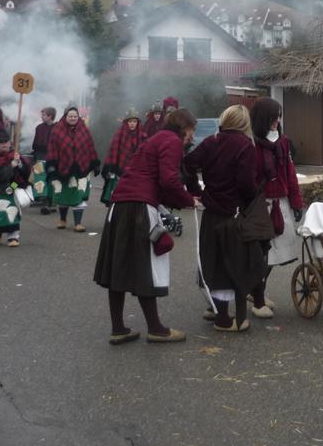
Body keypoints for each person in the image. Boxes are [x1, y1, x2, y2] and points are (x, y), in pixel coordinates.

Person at [94, 108, 198, 344]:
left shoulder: (155, 139)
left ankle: (118, 328)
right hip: (140, 207)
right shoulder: (172, 141)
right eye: (192, 130)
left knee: (118, 265)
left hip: (119, 204)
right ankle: (156, 329)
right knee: (146, 266)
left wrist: (181, 200)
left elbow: (157, 179)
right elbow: (169, 180)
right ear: (183, 127)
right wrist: (189, 200)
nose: (192, 136)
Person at [184, 104, 264, 333]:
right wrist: (251, 198)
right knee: (233, 265)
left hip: (211, 212)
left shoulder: (212, 141)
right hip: (233, 214)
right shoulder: (245, 145)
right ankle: (224, 319)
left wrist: (196, 191)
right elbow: (246, 183)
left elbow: (188, 163)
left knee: (214, 261)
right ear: (244, 123)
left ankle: (216, 309)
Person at [248, 98, 304, 318]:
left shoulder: (283, 142)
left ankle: (257, 292)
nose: (277, 121)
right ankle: (257, 298)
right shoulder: (251, 144)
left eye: (278, 116)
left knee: (273, 254)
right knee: (261, 255)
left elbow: (290, 174)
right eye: (273, 117)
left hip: (281, 203)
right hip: (261, 205)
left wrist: (296, 202)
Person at [46, 105, 100, 232]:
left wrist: (95, 163)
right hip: (63, 168)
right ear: (65, 116)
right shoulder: (57, 130)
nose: (73, 118)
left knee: (79, 195)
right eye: (70, 116)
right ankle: (62, 220)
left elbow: (90, 146)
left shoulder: (84, 129)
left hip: (81, 168)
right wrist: (51, 165)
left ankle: (78, 223)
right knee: (63, 196)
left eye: (75, 116)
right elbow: (52, 148)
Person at [0, 131, 31, 246]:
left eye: (6, 141)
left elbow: (26, 172)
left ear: (10, 143)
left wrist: (19, 163)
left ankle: (13, 237)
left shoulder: (16, 156)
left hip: (14, 185)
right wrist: (11, 165)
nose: (4, 144)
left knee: (13, 210)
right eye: (1, 142)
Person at [100, 109, 145, 206]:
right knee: (116, 197)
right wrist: (111, 168)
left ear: (137, 123)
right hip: (119, 170)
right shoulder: (120, 134)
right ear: (126, 122)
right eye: (130, 121)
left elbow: (144, 154)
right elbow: (113, 151)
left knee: (131, 198)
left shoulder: (142, 136)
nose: (132, 124)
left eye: (134, 121)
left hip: (134, 171)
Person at [30, 107, 56, 214]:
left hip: (52, 157)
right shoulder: (39, 128)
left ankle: (51, 202)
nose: (42, 117)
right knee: (40, 178)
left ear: (50, 116)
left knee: (51, 179)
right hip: (40, 156)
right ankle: (43, 200)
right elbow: (35, 143)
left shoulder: (57, 128)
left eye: (44, 115)